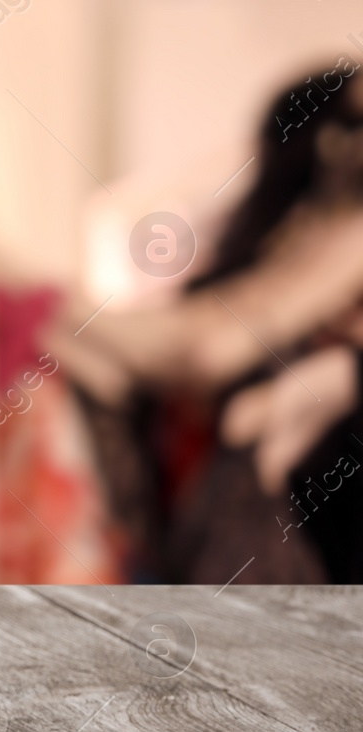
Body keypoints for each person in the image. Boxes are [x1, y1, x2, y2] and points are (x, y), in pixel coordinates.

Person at [53, 62, 363, 581]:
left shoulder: (346, 249)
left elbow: (204, 350)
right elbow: (195, 347)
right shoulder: (275, 254)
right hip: (204, 549)